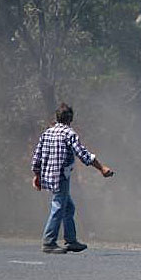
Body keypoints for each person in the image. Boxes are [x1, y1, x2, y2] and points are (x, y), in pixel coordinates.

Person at [31, 103, 114, 254]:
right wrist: (101, 168)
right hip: (61, 176)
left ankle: (71, 240)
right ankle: (49, 241)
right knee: (58, 206)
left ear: (57, 117)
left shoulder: (47, 133)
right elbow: (82, 154)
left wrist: (37, 176)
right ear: (70, 119)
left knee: (68, 207)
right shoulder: (69, 133)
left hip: (49, 176)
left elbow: (37, 156)